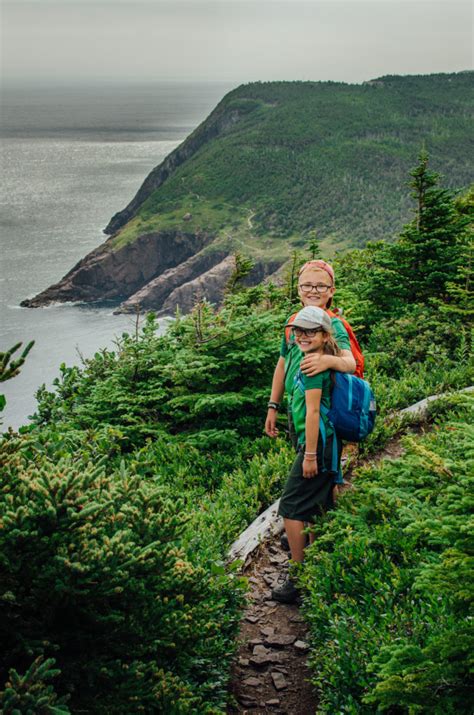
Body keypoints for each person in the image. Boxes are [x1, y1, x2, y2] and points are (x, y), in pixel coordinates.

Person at [268, 305, 342, 603]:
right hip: (325, 441)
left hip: (317, 443)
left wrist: (310, 455)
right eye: (299, 330)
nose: (302, 336)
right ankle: (319, 565)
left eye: (311, 331)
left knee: (289, 507)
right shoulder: (316, 358)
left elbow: (313, 412)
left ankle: (298, 579)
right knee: (317, 505)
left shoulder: (313, 365)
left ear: (325, 335)